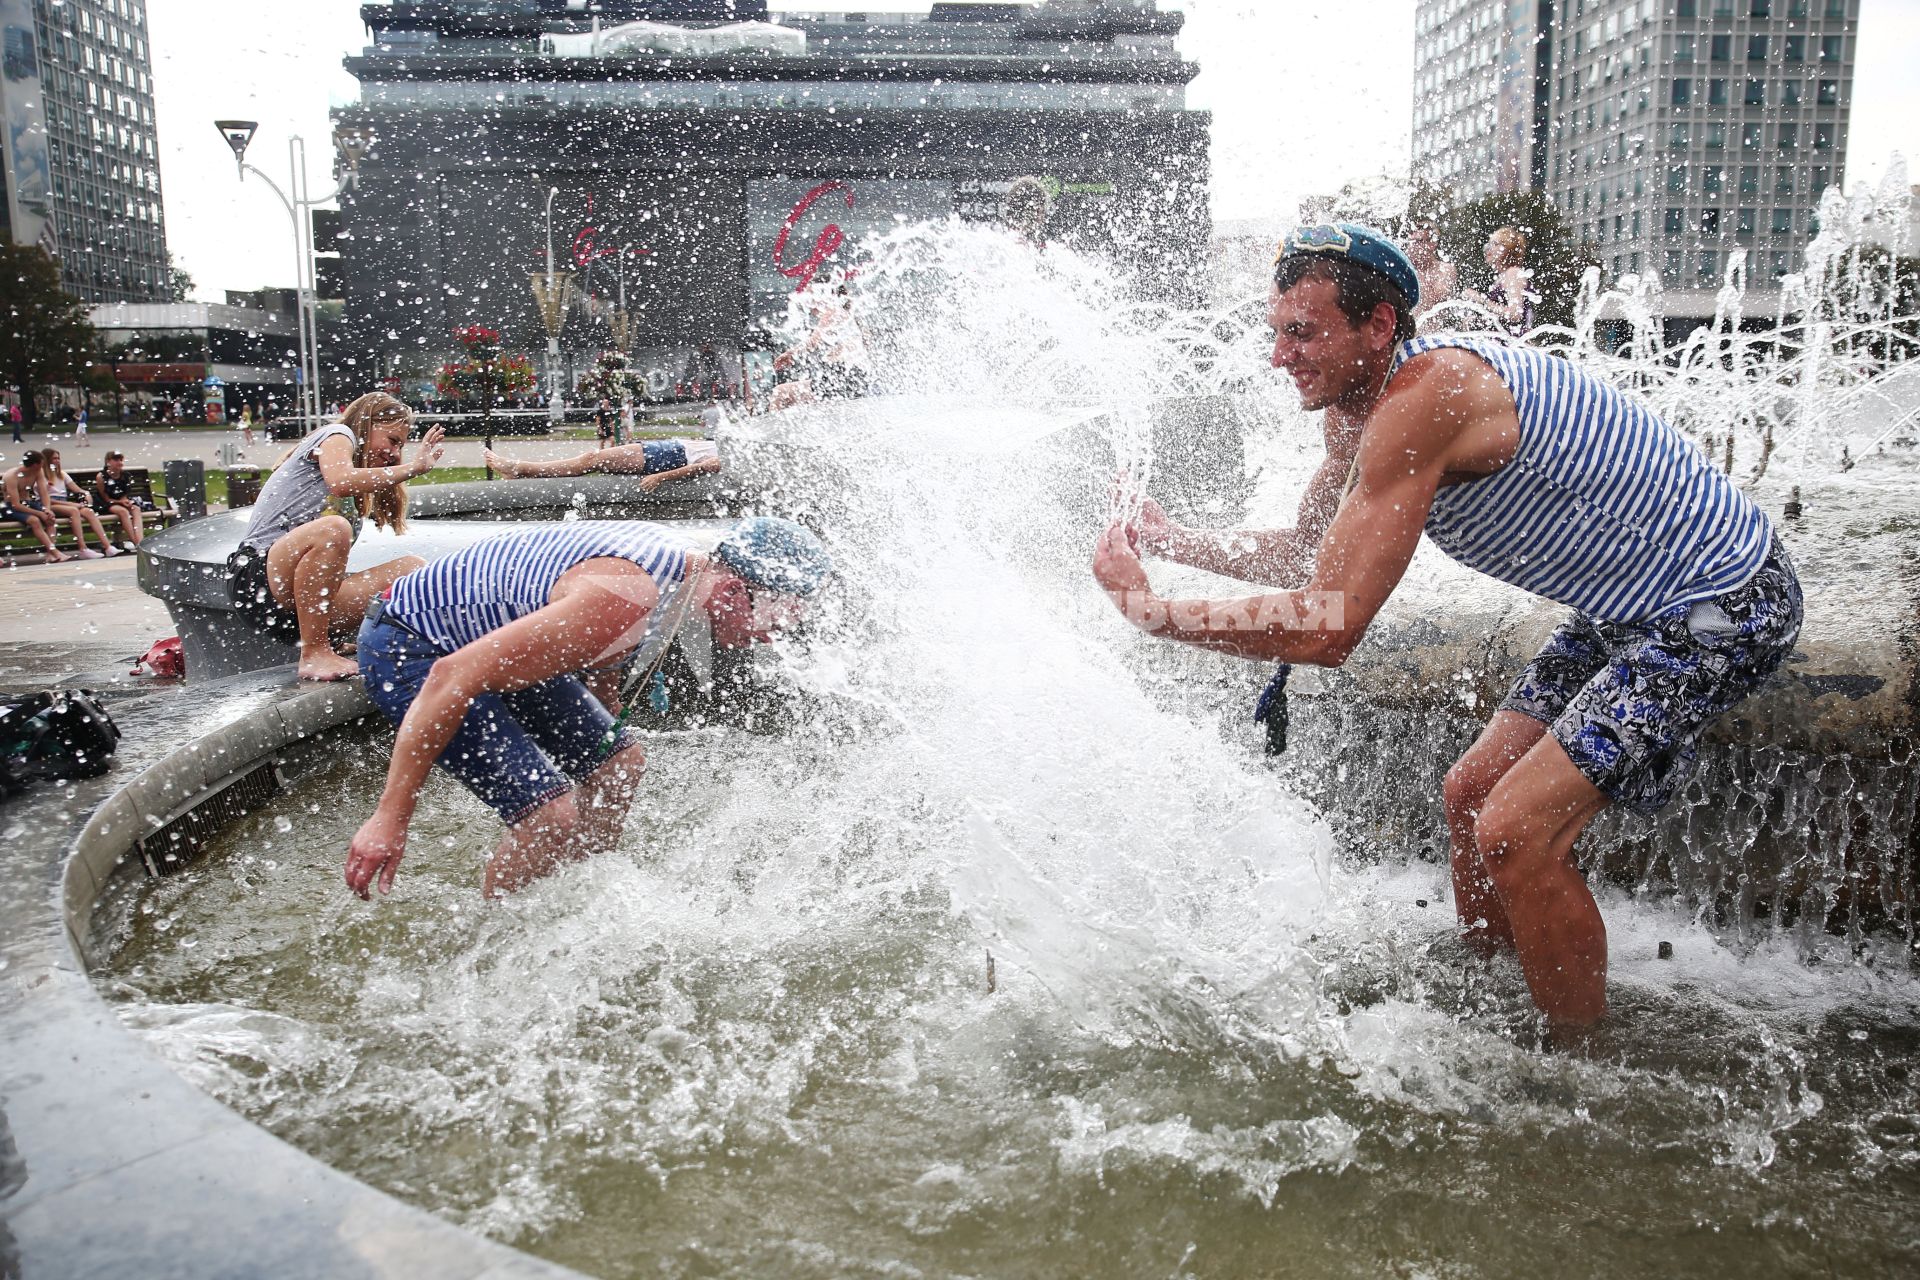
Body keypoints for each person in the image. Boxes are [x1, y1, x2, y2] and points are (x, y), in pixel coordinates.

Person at [1091, 222, 1800, 1029]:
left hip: (1723, 605)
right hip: (1628, 611)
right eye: (1276, 332)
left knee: (1516, 830)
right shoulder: (1359, 413)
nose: (1279, 356)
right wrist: (1172, 540)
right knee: (1470, 793)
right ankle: (1500, 1001)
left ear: (1381, 326)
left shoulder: (1429, 397)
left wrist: (1151, 612)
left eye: (1303, 333)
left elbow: (1329, 628)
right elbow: (1307, 559)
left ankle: (1585, 1071)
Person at [344, 515, 832, 899]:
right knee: (549, 816)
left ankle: (578, 893)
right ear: (731, 591)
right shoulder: (626, 594)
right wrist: (391, 818)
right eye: (774, 621)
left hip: (484, 646)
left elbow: (597, 657)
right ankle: (502, 939)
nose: (770, 637)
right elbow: (450, 677)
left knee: (620, 766)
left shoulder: (681, 577)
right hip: (412, 646)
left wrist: (597, 741)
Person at [226, 391, 445, 682]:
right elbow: (340, 482)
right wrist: (412, 469)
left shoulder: (356, 470)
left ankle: (400, 651)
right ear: (369, 422)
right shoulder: (338, 434)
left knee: (414, 570)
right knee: (334, 529)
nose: (394, 453)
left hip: (298, 610)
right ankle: (315, 653)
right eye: (393, 440)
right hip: (257, 583)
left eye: (400, 446)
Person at [483, 437, 721, 493]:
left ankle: (521, 468)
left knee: (591, 460)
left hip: (665, 456)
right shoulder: (740, 443)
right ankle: (521, 472)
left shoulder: (735, 454)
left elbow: (705, 466)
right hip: (663, 450)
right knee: (591, 460)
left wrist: (661, 477)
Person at [770, 285, 870, 412]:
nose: (807, 301)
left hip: (843, 377)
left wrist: (789, 354)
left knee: (779, 393)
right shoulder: (846, 314)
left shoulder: (833, 311)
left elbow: (813, 343)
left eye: (810, 295)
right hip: (853, 377)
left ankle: (773, 431)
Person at [40, 448, 120, 558]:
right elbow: (46, 499)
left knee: (89, 512)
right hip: (50, 505)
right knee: (73, 511)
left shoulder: (61, 474)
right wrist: (72, 504)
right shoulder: (41, 476)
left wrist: (86, 493)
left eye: (58, 458)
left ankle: (108, 546)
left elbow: (77, 489)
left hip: (63, 503)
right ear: (47, 460)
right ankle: (83, 548)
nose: (57, 461)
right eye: (54, 458)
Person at [1463, 225, 1535, 334]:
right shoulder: (1503, 276)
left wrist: (1481, 300)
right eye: (1489, 243)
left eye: (1495, 244)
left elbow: (1515, 314)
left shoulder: (1513, 273)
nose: (1488, 248)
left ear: (1507, 249)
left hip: (1512, 343)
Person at [2, 451, 68, 562]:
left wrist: (46, 509)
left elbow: (44, 493)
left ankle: (50, 554)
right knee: (34, 520)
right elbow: (16, 504)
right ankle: (55, 552)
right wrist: (40, 513)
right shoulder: (12, 476)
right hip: (10, 507)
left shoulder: (38, 471)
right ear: (35, 465)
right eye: (41, 464)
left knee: (50, 518)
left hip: (27, 503)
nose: (43, 467)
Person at [1404, 220, 1458, 325]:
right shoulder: (1405, 269)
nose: (1411, 247)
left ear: (1432, 244)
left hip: (1433, 335)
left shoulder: (1445, 269)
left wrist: (1420, 271)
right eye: (1410, 242)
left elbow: (1436, 296)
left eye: (1417, 242)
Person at [93, 450, 146, 549]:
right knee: (123, 512)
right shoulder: (101, 476)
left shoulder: (125, 475)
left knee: (136, 509)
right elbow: (106, 498)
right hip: (106, 503)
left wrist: (125, 501)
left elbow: (124, 494)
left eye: (121, 460)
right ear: (108, 461)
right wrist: (121, 502)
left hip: (120, 501)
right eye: (116, 460)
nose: (120, 462)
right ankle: (136, 543)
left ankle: (140, 540)